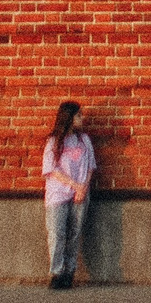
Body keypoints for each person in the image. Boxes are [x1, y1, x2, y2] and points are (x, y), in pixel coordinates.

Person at [41, 100, 95, 290]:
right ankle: (56, 272)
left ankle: (69, 273)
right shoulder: (54, 141)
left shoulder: (84, 140)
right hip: (58, 194)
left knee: (74, 234)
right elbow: (51, 169)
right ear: (69, 118)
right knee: (57, 233)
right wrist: (74, 185)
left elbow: (90, 166)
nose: (82, 118)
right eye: (78, 115)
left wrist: (83, 188)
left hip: (80, 195)